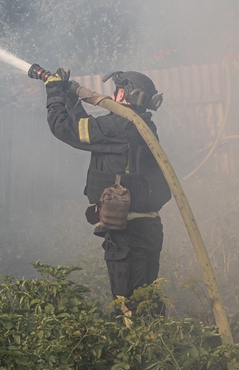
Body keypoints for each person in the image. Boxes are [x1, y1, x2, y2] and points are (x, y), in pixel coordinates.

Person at [44, 68, 172, 310]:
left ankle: (136, 345)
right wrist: (72, 98)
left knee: (129, 306)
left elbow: (65, 128)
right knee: (148, 300)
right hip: (147, 228)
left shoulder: (119, 126)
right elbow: (90, 129)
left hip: (127, 234)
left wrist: (53, 91)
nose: (113, 95)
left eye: (117, 90)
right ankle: (155, 343)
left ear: (125, 94)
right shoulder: (142, 125)